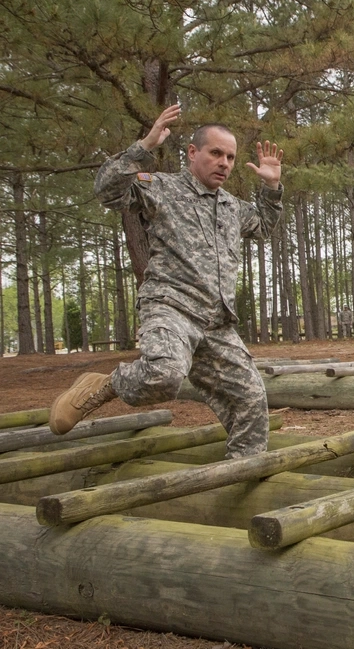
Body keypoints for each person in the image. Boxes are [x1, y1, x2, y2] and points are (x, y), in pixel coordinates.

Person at [48, 103, 285, 459]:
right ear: (192, 153)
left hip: (216, 323)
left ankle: (240, 477)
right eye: (216, 153)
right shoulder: (162, 188)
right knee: (165, 374)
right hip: (171, 307)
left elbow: (264, 225)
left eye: (231, 157)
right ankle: (106, 385)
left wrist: (272, 185)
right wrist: (143, 148)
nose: (224, 163)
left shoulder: (233, 207)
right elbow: (108, 192)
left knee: (250, 399)